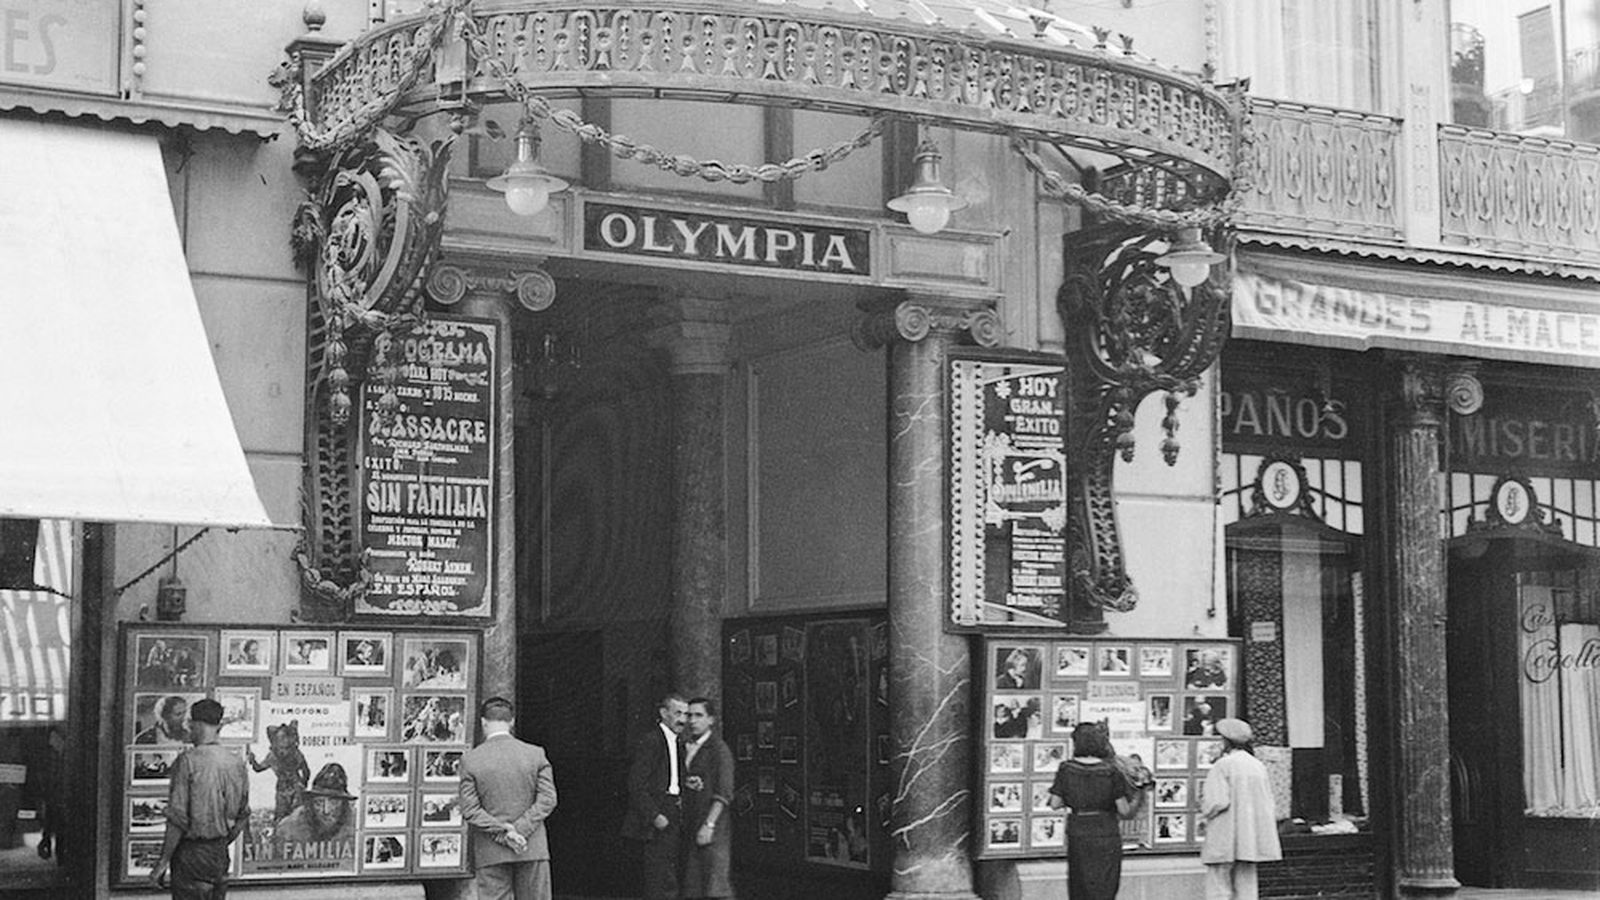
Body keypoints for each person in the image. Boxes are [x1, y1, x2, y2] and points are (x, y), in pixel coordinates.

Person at [459, 697, 558, 900]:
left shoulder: (471, 760)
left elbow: (469, 809)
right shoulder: (536, 754)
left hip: (491, 851)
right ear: (512, 721)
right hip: (531, 846)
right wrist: (519, 829)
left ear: (483, 722)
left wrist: (504, 832)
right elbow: (548, 799)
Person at [149, 698, 249, 898]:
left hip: (192, 856)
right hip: (219, 854)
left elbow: (177, 819)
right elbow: (243, 816)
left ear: (194, 724)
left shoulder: (187, 762)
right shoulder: (236, 763)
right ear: (218, 726)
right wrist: (219, 840)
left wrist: (162, 863)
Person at [1047, 722, 1142, 900]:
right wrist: (1138, 794)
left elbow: (1055, 803)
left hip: (1078, 831)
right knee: (1105, 885)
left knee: (1079, 884)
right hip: (1106, 831)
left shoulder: (1066, 769)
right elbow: (1124, 810)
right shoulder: (1111, 771)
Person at [1200, 718, 1282, 900]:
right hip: (1249, 836)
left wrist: (1204, 811)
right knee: (1247, 886)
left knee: (1219, 885)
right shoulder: (1257, 765)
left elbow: (1216, 801)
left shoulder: (1223, 765)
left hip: (1225, 833)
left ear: (1226, 741)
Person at [621, 692, 687, 900]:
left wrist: (687, 783)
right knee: (657, 876)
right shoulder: (651, 741)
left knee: (670, 872)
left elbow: (671, 777)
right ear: (663, 713)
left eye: (685, 714)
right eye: (678, 713)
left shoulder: (678, 743)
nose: (683, 719)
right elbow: (636, 784)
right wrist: (654, 815)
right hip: (658, 814)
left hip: (674, 810)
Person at [679, 697, 734, 899]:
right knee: (692, 886)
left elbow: (724, 792)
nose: (692, 721)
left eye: (698, 715)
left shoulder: (719, 751)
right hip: (690, 823)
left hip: (712, 827)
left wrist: (709, 824)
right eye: (689, 715)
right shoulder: (684, 747)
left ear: (711, 719)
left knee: (715, 884)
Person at [274, 763, 356, 845]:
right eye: (319, 802)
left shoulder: (356, 825)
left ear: (344, 804)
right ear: (310, 803)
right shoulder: (288, 829)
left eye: (333, 802)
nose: (326, 811)